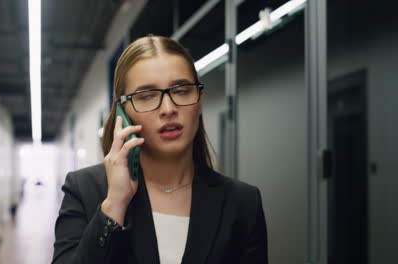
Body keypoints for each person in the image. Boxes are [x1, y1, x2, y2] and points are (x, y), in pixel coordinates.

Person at [52, 35, 268, 264]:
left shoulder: (243, 202)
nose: (168, 108)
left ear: (199, 99)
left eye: (182, 91)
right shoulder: (86, 190)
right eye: (146, 96)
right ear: (123, 113)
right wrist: (114, 204)